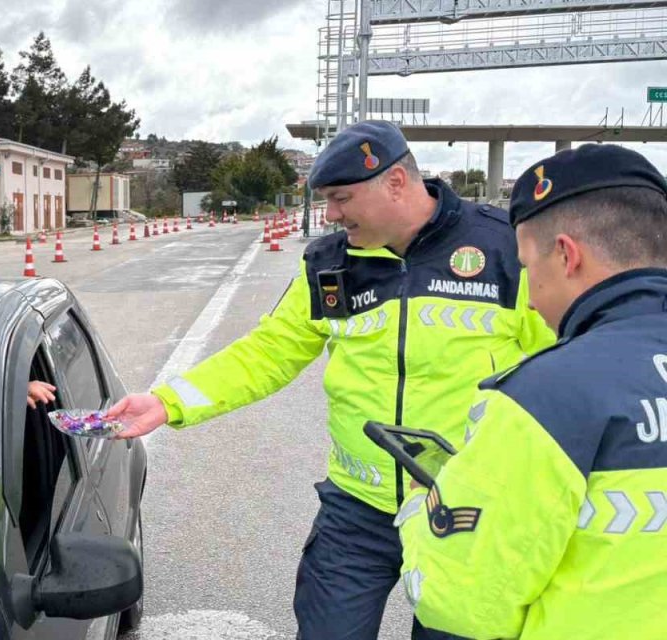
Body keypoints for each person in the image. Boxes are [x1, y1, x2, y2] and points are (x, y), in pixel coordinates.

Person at [106, 120, 554, 640]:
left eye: (341, 198)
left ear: (395, 183)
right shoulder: (330, 265)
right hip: (357, 512)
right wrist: (168, 401)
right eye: (326, 200)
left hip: (469, 508)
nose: (331, 214)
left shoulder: (504, 248)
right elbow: (270, 350)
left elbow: (563, 367)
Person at [396, 145, 667, 639]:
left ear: (566, 254)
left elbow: (460, 602)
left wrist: (420, 507)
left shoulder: (543, 398)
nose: (529, 291)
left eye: (525, 265)